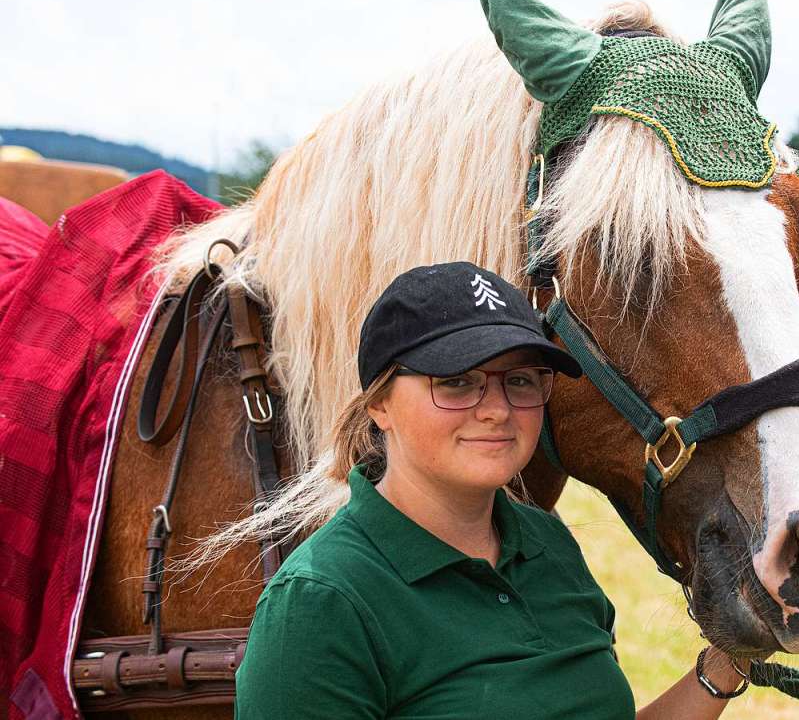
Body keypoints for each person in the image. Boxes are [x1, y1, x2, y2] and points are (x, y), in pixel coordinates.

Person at [235, 261, 750, 719]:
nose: (498, 410)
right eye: (457, 382)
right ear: (380, 404)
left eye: (521, 381)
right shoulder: (320, 602)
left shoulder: (547, 544)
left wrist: (729, 663)